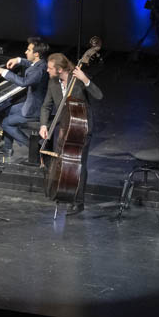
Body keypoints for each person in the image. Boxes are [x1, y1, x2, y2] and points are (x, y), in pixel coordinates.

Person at [39, 52, 103, 214]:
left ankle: (78, 201)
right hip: (64, 128)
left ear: (60, 69)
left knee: (79, 164)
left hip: (81, 127)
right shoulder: (53, 82)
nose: (47, 70)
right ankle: (63, 192)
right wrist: (43, 125)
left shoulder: (78, 79)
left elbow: (99, 95)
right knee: (63, 162)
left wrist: (85, 79)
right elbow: (46, 106)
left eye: (50, 68)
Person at [0, 37, 50, 160]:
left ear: (36, 54)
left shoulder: (39, 71)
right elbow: (32, 64)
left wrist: (5, 72)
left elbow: (24, 82)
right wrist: (18, 60)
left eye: (28, 50)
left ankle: (34, 148)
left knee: (6, 123)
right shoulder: (42, 63)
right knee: (6, 111)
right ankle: (7, 148)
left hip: (35, 109)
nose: (25, 52)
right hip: (32, 103)